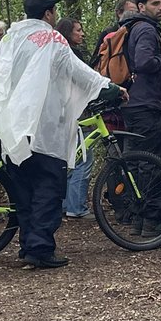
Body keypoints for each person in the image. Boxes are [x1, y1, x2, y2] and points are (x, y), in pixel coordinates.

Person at [0, 0, 125, 268]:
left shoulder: (10, 38)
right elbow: (79, 72)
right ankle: (40, 250)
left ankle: (28, 246)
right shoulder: (52, 40)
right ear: (48, 13)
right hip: (45, 127)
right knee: (48, 187)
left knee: (24, 189)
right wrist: (110, 88)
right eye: (55, 12)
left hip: (15, 128)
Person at [120, 0, 161, 236]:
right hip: (145, 105)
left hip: (132, 103)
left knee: (138, 162)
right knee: (151, 162)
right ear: (141, 7)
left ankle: (139, 220)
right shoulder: (146, 30)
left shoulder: (132, 28)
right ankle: (153, 220)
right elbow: (143, 62)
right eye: (155, 3)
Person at [57, 16, 95, 220]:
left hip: (64, 113)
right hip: (77, 114)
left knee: (69, 159)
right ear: (67, 33)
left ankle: (64, 203)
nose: (82, 34)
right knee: (84, 159)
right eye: (78, 30)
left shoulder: (56, 53)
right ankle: (76, 206)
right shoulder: (72, 55)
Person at [91, 0, 138, 65]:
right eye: (131, 12)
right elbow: (95, 60)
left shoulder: (137, 33)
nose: (134, 16)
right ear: (119, 13)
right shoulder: (108, 33)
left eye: (136, 13)